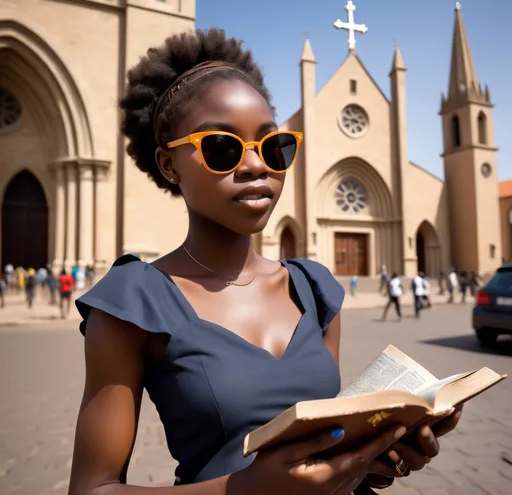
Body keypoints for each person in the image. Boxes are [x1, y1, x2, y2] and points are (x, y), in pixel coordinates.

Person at [68, 28, 462, 495]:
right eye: (222, 147)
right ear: (169, 164)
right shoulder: (133, 303)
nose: (256, 165)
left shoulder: (314, 290)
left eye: (273, 146)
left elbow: (322, 451)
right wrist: (245, 489)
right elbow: (92, 488)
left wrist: (377, 456)